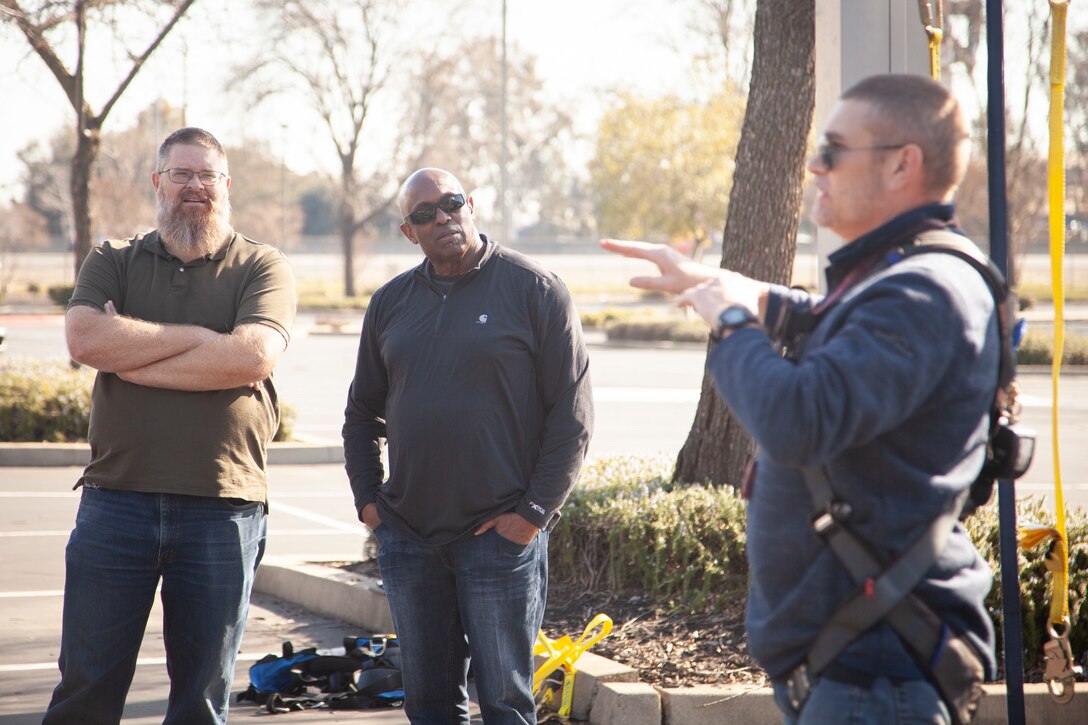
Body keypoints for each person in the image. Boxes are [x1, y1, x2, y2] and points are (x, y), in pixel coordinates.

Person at [602, 74, 997, 724]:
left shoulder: (924, 290)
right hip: (861, 673)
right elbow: (835, 322)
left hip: (876, 680)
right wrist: (719, 283)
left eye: (834, 149)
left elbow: (797, 420)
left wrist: (732, 326)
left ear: (904, 163)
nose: (815, 163)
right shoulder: (908, 278)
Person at [46, 127, 296, 724]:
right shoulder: (113, 258)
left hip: (223, 504)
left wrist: (132, 354)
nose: (195, 186)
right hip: (116, 501)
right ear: (158, 182)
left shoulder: (262, 265)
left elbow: (252, 358)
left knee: (201, 699)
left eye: (207, 175)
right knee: (86, 686)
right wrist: (200, 343)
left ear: (226, 186)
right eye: (182, 174)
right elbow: (85, 339)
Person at [343, 167, 593, 723]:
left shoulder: (534, 289)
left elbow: (572, 417)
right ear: (410, 232)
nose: (443, 217)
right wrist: (368, 502)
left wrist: (531, 515)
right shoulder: (390, 303)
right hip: (408, 539)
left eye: (451, 202)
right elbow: (361, 412)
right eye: (425, 214)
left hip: (498, 540)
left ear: (472, 204)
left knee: (504, 702)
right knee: (428, 702)